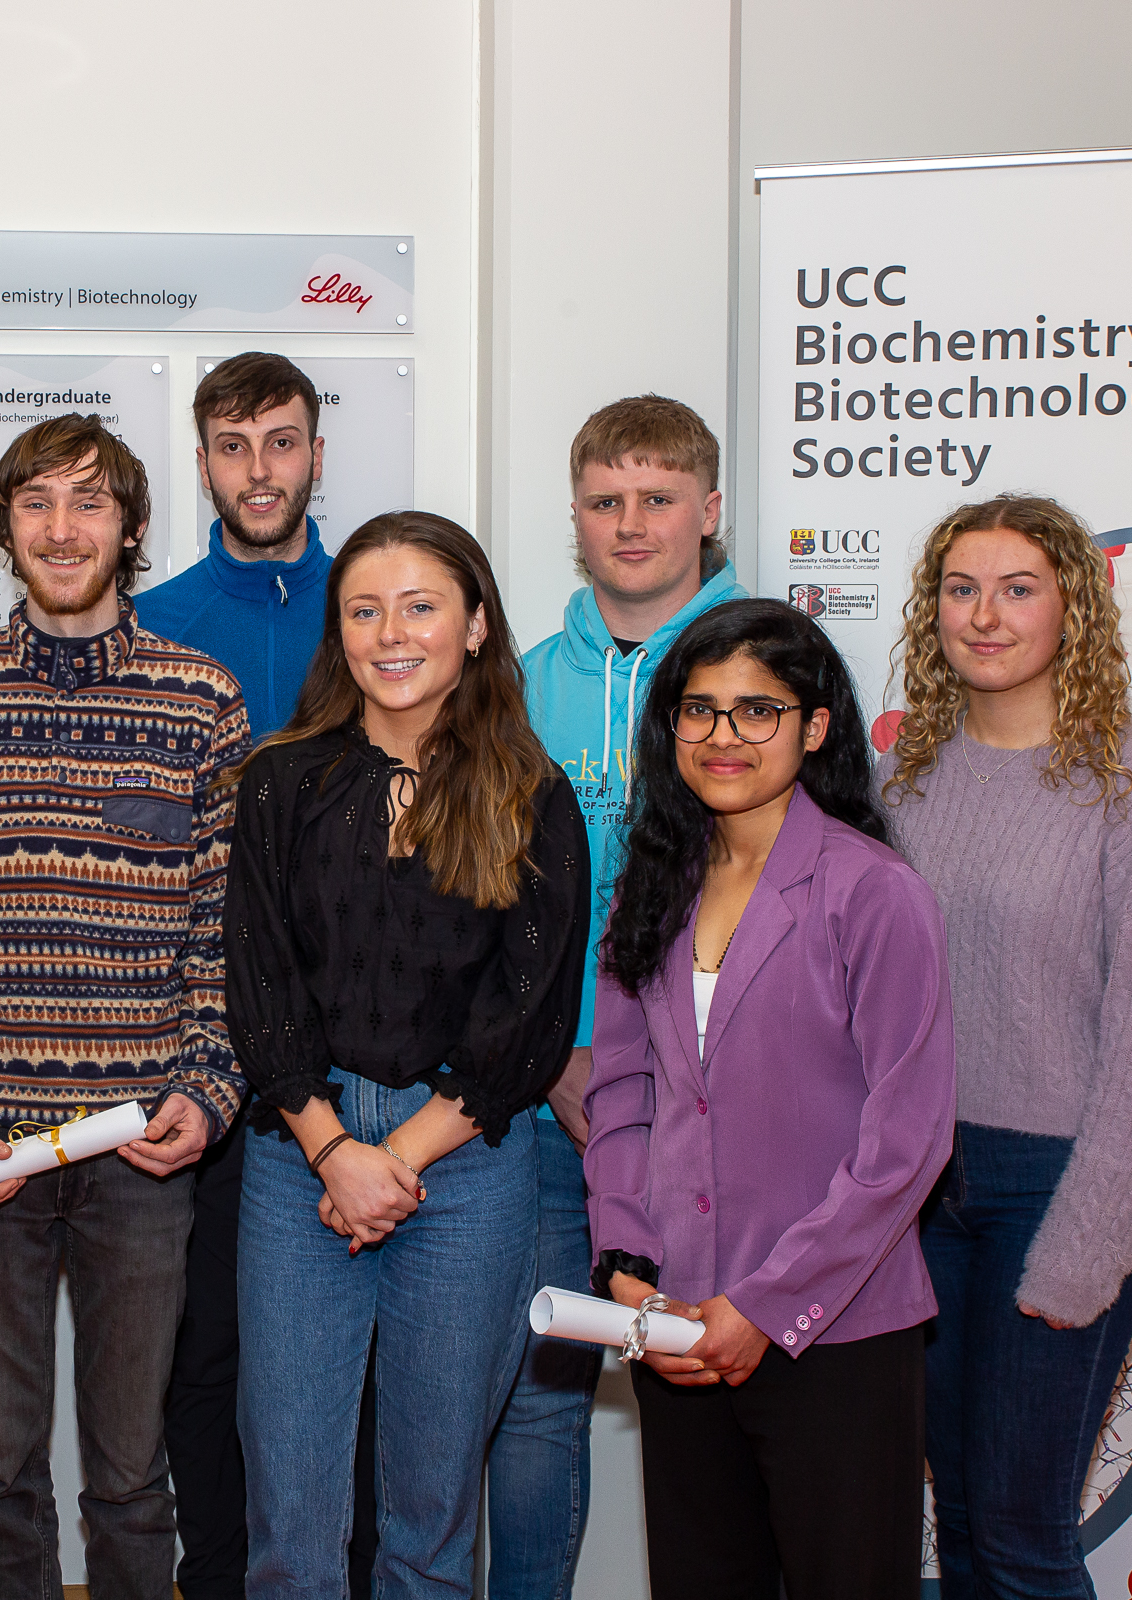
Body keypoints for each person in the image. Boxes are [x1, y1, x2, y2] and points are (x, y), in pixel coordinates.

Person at [0, 412, 249, 1600]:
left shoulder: (200, 701)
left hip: (142, 1152)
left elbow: (222, 934)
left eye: (89, 502)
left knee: (133, 1473)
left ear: (131, 527)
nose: (62, 526)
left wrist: (206, 1089)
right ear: (5, 529)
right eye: (36, 502)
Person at [227, 510, 591, 1600]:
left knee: (430, 1525)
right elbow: (260, 979)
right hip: (301, 1159)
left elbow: (525, 1016)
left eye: (421, 605)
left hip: (470, 1168)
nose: (392, 632)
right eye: (364, 609)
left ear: (477, 626)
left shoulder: (534, 796)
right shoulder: (280, 781)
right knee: (291, 1521)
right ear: (337, 634)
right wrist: (338, 1149)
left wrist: (404, 1155)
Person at [879, 496, 1132, 1600]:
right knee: (962, 1517)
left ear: (1074, 608)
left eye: (1018, 587)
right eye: (961, 588)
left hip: (1053, 1185)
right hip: (916, 1187)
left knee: (1025, 1536)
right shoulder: (902, 781)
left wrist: (1088, 1240)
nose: (985, 615)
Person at [586, 597, 954, 1600]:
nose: (722, 737)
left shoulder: (873, 891)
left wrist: (769, 1301)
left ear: (814, 726)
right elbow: (619, 1088)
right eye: (698, 711)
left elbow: (907, 1141)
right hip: (678, 1322)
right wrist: (625, 1262)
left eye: (757, 711)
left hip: (837, 1329)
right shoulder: (652, 886)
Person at [508, 393, 747, 1595]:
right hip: (557, 1101)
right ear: (576, 519)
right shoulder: (520, 681)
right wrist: (554, 1058)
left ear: (709, 510)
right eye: (605, 501)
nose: (632, 523)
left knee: (714, 1392)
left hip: (724, 1112)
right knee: (546, 1389)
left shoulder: (768, 669)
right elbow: (485, 891)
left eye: (658, 499)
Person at [136, 351, 333, 1600]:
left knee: (338, 1360)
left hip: (354, 1044)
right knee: (201, 1354)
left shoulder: (376, 600)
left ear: (318, 449)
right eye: (231, 444)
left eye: (281, 440)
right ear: (200, 461)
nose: (258, 469)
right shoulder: (156, 621)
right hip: (199, 1045)